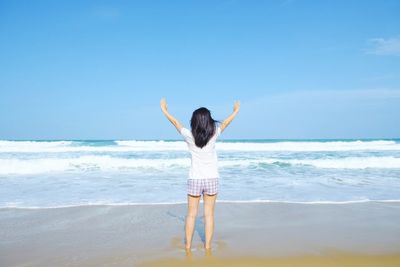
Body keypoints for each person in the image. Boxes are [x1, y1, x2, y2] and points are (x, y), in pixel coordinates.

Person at [160, 98, 240, 252]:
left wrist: (164, 110)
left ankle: (188, 247)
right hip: (211, 179)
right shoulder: (214, 134)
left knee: (191, 215)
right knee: (209, 215)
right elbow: (226, 123)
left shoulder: (189, 136)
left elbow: (175, 123)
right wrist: (235, 111)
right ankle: (208, 247)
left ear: (194, 122)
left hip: (195, 179)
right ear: (209, 122)